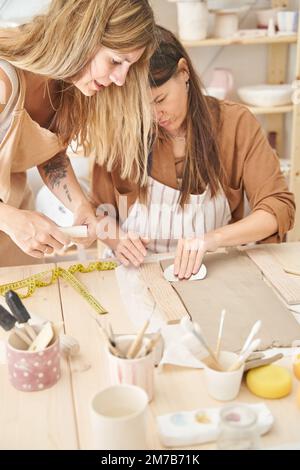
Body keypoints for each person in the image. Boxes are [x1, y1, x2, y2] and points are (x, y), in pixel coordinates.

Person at [91, 25, 295, 279]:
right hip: (137, 274)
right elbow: (98, 215)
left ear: (184, 72)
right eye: (142, 108)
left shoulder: (235, 124)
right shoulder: (120, 133)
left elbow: (278, 208)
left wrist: (213, 239)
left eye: (159, 100)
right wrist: (117, 239)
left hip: (215, 268)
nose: (155, 116)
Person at [0, 0, 155, 267]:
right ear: (82, 38)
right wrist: (11, 219)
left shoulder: (63, 89)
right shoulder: (4, 80)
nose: (120, 79)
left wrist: (81, 207)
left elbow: (48, 153)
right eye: (116, 61)